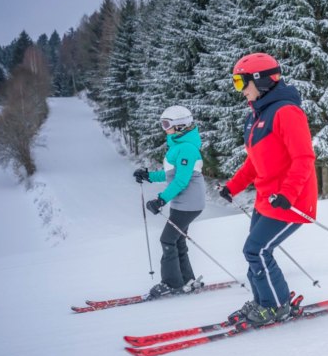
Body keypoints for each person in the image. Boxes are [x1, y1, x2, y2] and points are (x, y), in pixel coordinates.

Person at [219, 52, 318, 327]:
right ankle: (265, 301)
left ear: (261, 81)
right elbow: (255, 161)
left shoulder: (287, 112)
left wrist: (287, 194)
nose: (240, 90)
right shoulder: (258, 115)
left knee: (256, 250)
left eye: (241, 82)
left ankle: (276, 305)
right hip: (267, 199)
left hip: (291, 201)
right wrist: (233, 187)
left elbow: (304, 159)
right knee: (254, 251)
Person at [133, 105, 207, 299]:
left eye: (166, 124)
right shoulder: (178, 145)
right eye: (162, 123)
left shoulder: (187, 148)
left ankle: (171, 283)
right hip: (183, 202)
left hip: (189, 202)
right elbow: (170, 175)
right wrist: (148, 175)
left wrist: (161, 200)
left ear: (180, 126)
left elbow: (181, 180)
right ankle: (186, 279)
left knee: (167, 239)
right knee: (177, 239)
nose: (164, 128)